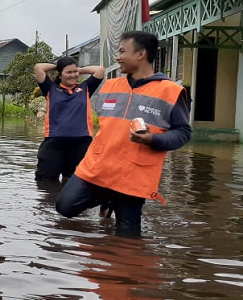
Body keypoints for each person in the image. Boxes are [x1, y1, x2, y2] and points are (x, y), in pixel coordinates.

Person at [56, 30, 191, 228]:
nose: (117, 57)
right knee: (64, 207)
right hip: (97, 167)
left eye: (122, 51)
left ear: (141, 54)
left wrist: (152, 139)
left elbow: (183, 133)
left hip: (133, 175)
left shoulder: (170, 91)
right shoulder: (110, 86)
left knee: (128, 236)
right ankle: (107, 198)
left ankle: (114, 201)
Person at [33, 57, 104, 180]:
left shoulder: (85, 88)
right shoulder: (50, 89)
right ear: (60, 75)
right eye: (68, 72)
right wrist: (59, 66)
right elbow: (38, 67)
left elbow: (100, 70)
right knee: (45, 181)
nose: (73, 75)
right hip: (54, 142)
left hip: (81, 143)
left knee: (76, 181)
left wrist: (77, 69)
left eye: (74, 72)